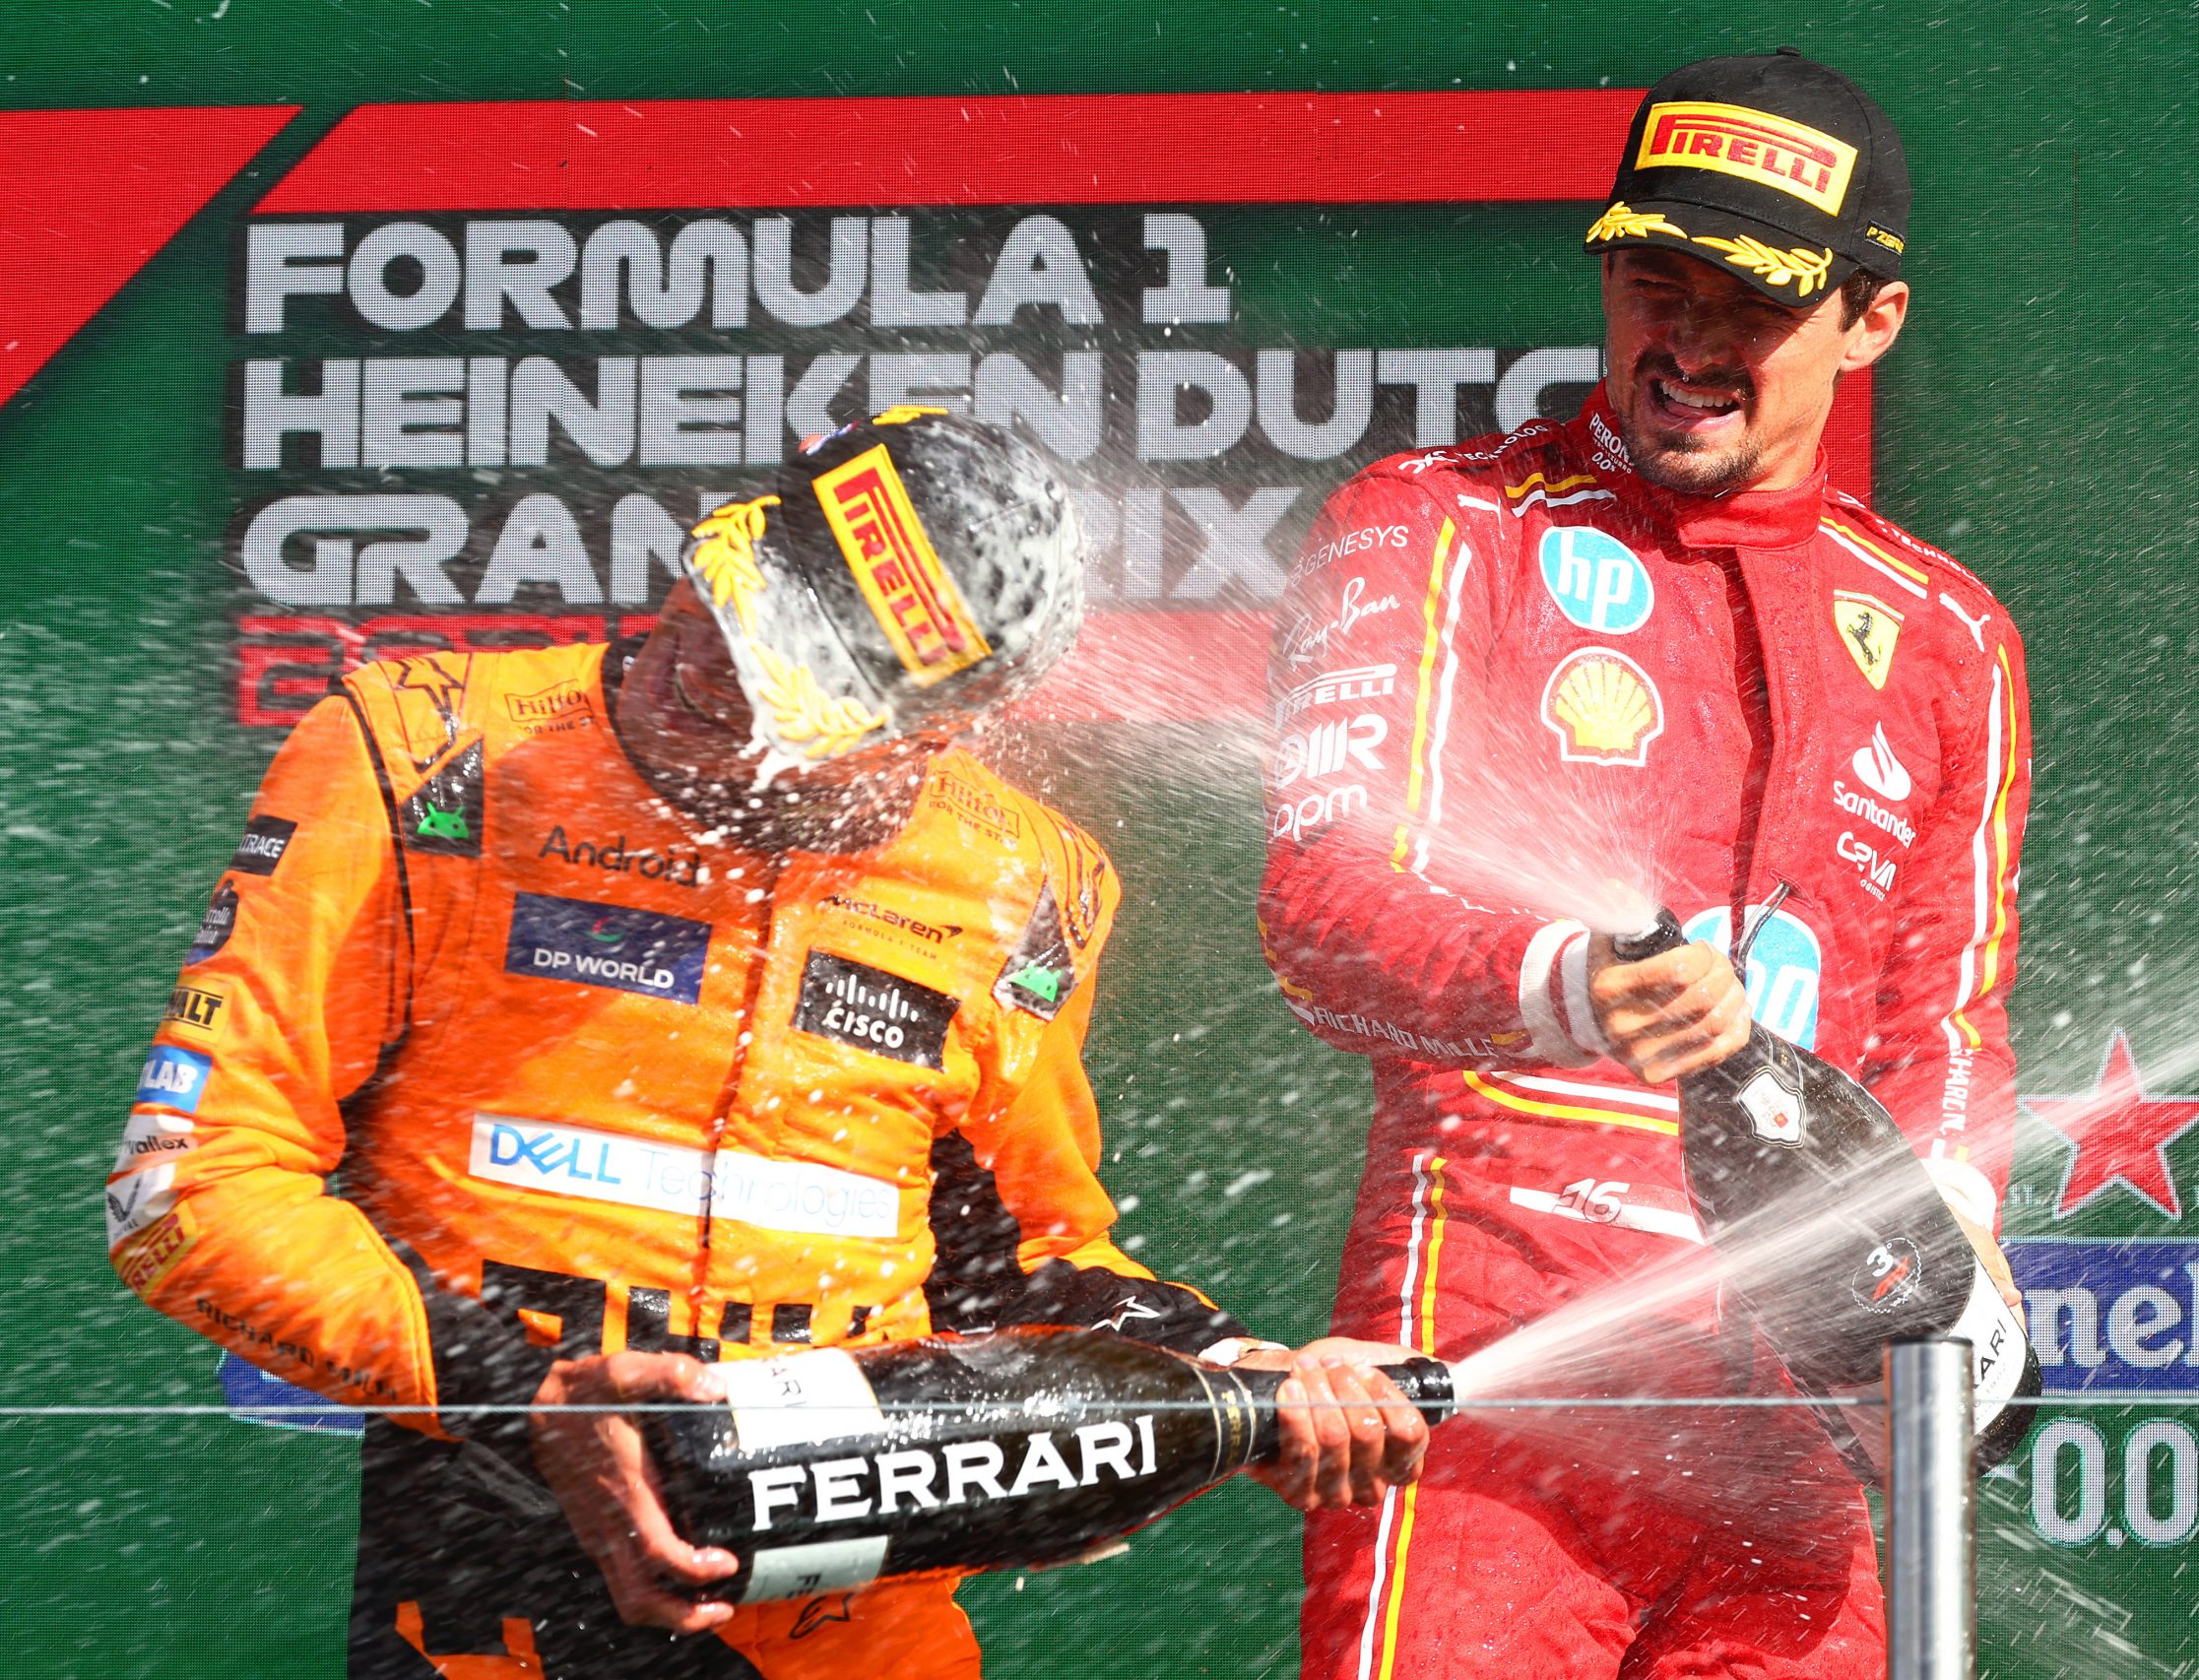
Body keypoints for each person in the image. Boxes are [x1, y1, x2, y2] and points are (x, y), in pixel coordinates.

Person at [109, 408, 1427, 1680]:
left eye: (783, 686)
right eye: (728, 598)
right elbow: (184, 1189)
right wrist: (529, 1394)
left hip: (857, 1631)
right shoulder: (423, 751)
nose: (706, 667)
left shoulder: (1028, 883)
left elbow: (1016, 1266)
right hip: (477, 1606)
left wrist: (1241, 1367)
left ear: (937, 732)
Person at [1261, 50, 2030, 1679]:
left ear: (1868, 321)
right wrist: (1570, 984)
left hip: (1806, 1433)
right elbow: (1320, 908)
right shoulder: (1439, 523)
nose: (1682, 343)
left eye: (1744, 304)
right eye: (1646, 280)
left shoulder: (1954, 638)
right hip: (1492, 1382)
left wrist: (1946, 1240)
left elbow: (1946, 1026)